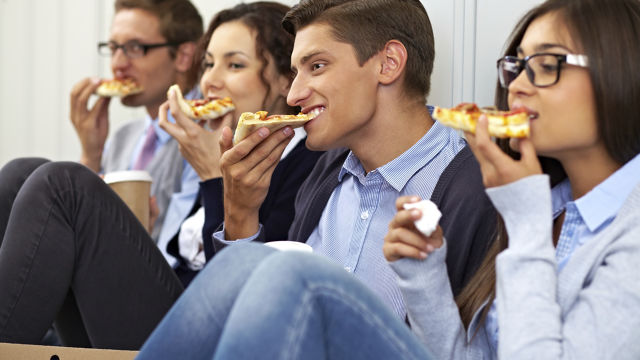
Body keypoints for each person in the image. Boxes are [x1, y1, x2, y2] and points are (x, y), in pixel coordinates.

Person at [136, 0, 640, 358]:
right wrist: (240, 210)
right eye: (517, 66)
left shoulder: (497, 195)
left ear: (389, 64)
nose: (519, 86)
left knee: (287, 275)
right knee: (253, 269)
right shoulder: (541, 203)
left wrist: (523, 218)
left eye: (547, 65)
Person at [0, 1, 319, 350]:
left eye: (234, 64)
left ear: (286, 80)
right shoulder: (226, 144)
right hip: (164, 308)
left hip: (200, 334)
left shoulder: (304, 164)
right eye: (209, 63)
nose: (210, 81)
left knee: (61, 185)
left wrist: (214, 179)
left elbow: (237, 293)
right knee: (21, 173)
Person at [209, 0, 497, 322]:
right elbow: (255, 322)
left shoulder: (477, 189)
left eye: (316, 66)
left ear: (388, 64)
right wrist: (241, 212)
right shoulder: (325, 171)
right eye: (295, 73)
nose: (292, 96)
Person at [70, 0, 203, 242]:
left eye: (134, 47)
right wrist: (91, 154)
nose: (117, 64)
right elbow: (80, 230)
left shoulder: (205, 133)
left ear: (184, 56)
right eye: (113, 47)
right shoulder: (122, 138)